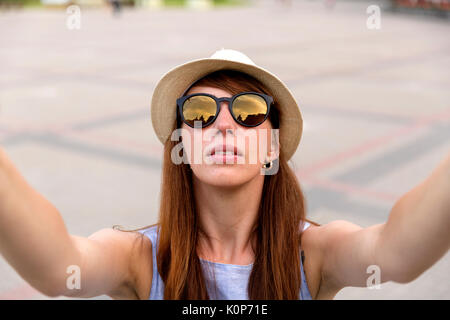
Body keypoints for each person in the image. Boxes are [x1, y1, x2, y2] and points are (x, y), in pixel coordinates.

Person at [0, 49, 448, 300]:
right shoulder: (141, 259)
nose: (223, 123)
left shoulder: (312, 254)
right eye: (198, 112)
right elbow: (59, 269)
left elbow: (397, 253)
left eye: (249, 111)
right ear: (180, 145)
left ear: (272, 146)